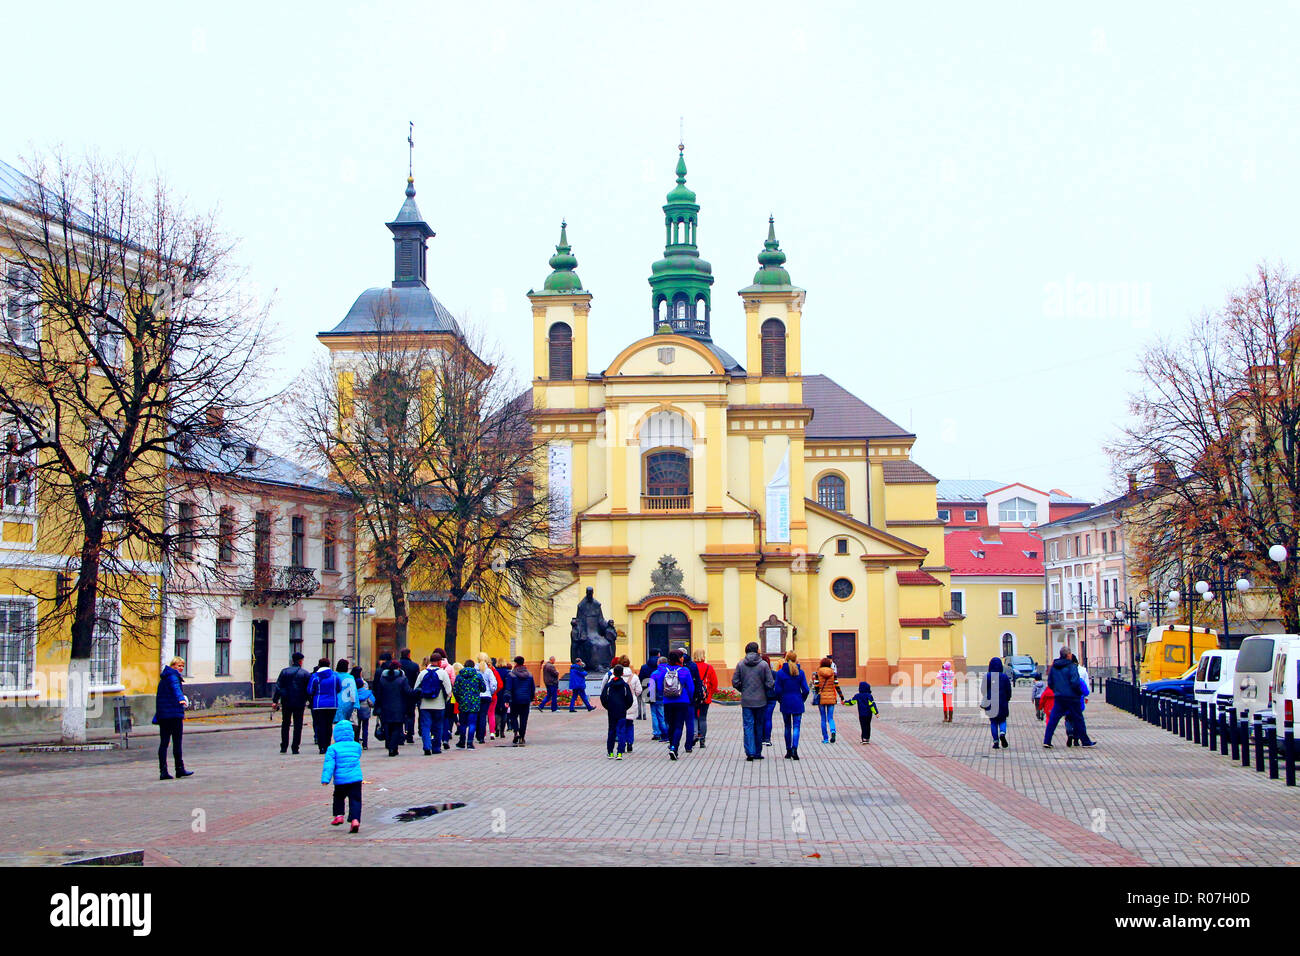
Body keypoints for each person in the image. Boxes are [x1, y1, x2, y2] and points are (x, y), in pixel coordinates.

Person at [1043, 647, 1097, 748]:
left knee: (1053, 719)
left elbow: (1050, 682)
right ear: (1068, 655)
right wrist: (1078, 693)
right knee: (1078, 719)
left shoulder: (1054, 667)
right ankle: (1085, 741)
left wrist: (1057, 690)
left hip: (1059, 697)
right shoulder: (1072, 666)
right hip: (1072, 697)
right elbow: (1075, 682)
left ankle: (1047, 740)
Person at [732, 642, 775, 761]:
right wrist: (763, 689)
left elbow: (735, 681)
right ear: (757, 651)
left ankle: (749, 752)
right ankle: (757, 752)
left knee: (748, 725)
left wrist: (743, 689)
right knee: (759, 725)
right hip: (761, 700)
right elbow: (770, 683)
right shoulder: (763, 665)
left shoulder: (741, 664)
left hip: (747, 701)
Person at [649, 650, 695, 760]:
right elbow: (691, 688)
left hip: (668, 702)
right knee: (679, 725)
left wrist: (666, 694)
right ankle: (674, 748)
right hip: (682, 701)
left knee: (670, 725)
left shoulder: (664, 670)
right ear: (679, 659)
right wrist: (689, 698)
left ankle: (671, 745)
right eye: (682, 657)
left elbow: (659, 687)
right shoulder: (685, 671)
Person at [321, 720, 363, 833]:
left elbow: (329, 765)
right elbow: (358, 756)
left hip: (341, 780)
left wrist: (326, 779)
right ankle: (355, 820)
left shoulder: (333, 748)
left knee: (339, 798)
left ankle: (339, 815)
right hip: (355, 779)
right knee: (356, 800)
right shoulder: (357, 746)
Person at [154, 656, 191, 780]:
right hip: (173, 714)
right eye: (179, 666)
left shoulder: (165, 677)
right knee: (176, 742)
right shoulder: (173, 677)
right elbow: (176, 688)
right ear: (173, 665)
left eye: (182, 666)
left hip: (164, 715)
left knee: (164, 743)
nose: (180, 668)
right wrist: (181, 699)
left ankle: (164, 770)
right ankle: (179, 769)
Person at [271, 651, 311, 755]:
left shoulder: (284, 672)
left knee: (285, 723)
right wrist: (310, 701)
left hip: (286, 701)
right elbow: (308, 690)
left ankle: (284, 746)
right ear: (301, 661)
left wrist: (275, 701)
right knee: (298, 725)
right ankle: (295, 747)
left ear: (292, 660)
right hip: (299, 702)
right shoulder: (305, 673)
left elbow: (278, 687)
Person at [773, 649, 809, 760]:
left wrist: (780, 699)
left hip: (786, 701)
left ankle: (788, 750)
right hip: (797, 701)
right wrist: (802, 699)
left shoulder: (780, 673)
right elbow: (806, 689)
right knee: (797, 726)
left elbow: (777, 690)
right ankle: (795, 749)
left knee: (787, 726)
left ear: (786, 659)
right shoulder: (800, 672)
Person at [373, 657, 411, 757]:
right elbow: (408, 692)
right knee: (397, 728)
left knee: (388, 728)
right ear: (398, 669)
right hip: (398, 708)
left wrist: (377, 707)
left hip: (385, 708)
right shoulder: (402, 679)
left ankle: (390, 746)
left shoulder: (382, 680)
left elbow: (379, 694)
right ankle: (393, 748)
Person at [416, 654, 454, 755]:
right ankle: (436, 747)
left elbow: (416, 689)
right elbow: (449, 690)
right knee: (438, 726)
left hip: (425, 705)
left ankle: (427, 747)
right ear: (439, 662)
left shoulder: (422, 673)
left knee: (425, 726)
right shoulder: (443, 673)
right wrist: (445, 700)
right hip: (439, 705)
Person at [307, 658, 342, 755]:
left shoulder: (315, 676)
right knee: (328, 724)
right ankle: (327, 745)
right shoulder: (335, 676)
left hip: (319, 704)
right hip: (332, 704)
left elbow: (310, 690)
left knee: (320, 725)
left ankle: (321, 746)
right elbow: (339, 688)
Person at [600, 664, 635, 759]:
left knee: (611, 731)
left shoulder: (608, 685)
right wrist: (625, 707)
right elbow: (630, 699)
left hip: (611, 711)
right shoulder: (625, 686)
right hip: (622, 711)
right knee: (621, 731)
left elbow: (603, 698)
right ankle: (620, 752)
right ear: (622, 674)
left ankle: (610, 752)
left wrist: (608, 707)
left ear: (614, 673)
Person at [453, 659, 486, 749]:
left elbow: (455, 690)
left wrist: (459, 699)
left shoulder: (459, 676)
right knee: (472, 723)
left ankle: (462, 741)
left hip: (463, 702)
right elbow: (483, 688)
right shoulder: (477, 676)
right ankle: (470, 742)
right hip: (474, 703)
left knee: (463, 723)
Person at [812, 656, 845, 744]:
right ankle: (833, 731)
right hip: (831, 698)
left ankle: (825, 738)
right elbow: (837, 686)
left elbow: (816, 687)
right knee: (830, 718)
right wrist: (842, 697)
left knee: (823, 718)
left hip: (822, 699)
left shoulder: (817, 673)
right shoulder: (833, 674)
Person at [982, 657, 1012, 750]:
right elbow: (1008, 690)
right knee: (1002, 720)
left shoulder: (987, 676)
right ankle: (1002, 733)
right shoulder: (1004, 676)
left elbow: (983, 689)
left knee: (993, 722)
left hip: (991, 702)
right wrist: (1007, 698)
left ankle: (995, 742)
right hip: (1002, 701)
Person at [692, 649, 718, 749]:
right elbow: (714, 683)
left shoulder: (691, 666)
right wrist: (710, 692)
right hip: (705, 696)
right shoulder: (708, 667)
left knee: (694, 717)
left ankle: (694, 736)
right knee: (703, 718)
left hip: (693, 696)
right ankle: (702, 740)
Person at [507, 656, 536, 746]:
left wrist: (507, 699)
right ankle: (522, 736)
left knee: (513, 716)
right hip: (525, 700)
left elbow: (508, 688)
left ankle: (516, 732)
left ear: (515, 663)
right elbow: (532, 688)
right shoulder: (529, 675)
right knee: (524, 718)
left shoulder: (511, 675)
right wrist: (531, 698)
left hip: (515, 700)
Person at [398, 649, 420, 743]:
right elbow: (417, 680)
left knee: (400, 714)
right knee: (410, 714)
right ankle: (410, 734)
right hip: (411, 692)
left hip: (399, 693)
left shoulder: (398, 665)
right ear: (409, 655)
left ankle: (401, 735)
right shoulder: (414, 666)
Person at [476, 653, 499, 743]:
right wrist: (491, 692)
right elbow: (494, 684)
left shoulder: (475, 670)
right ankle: (482, 736)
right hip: (486, 696)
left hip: (477, 696)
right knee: (484, 716)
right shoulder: (489, 671)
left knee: (477, 715)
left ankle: (478, 734)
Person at [353, 667, 375, 750]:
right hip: (366, 712)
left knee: (357, 727)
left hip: (357, 711)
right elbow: (372, 702)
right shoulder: (367, 693)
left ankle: (356, 742)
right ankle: (365, 744)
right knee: (365, 728)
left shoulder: (355, 693)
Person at [647, 655, 668, 740]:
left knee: (655, 715)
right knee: (664, 715)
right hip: (668, 697)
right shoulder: (669, 672)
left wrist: (651, 698)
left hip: (656, 697)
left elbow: (650, 686)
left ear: (658, 663)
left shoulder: (655, 673)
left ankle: (657, 733)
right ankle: (666, 731)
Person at [761, 653, 780, 748]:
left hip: (761, 698)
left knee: (761, 718)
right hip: (772, 698)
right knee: (768, 718)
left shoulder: (759, 673)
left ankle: (761, 738)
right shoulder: (774, 673)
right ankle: (767, 739)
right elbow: (777, 686)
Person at [334, 658, 358, 726]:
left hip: (335, 703)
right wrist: (356, 704)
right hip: (347, 703)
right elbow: (353, 692)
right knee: (346, 724)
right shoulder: (350, 677)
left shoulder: (334, 676)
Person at [637, 651, 659, 721]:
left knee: (647, 703)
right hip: (659, 687)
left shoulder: (644, 667)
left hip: (647, 686)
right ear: (659, 654)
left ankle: (642, 714)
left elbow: (641, 677)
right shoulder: (660, 667)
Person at [494, 658, 512, 738]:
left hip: (496, 693)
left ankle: (496, 728)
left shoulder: (494, 672)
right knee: (504, 713)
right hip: (505, 694)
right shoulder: (508, 672)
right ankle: (502, 731)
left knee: (496, 712)